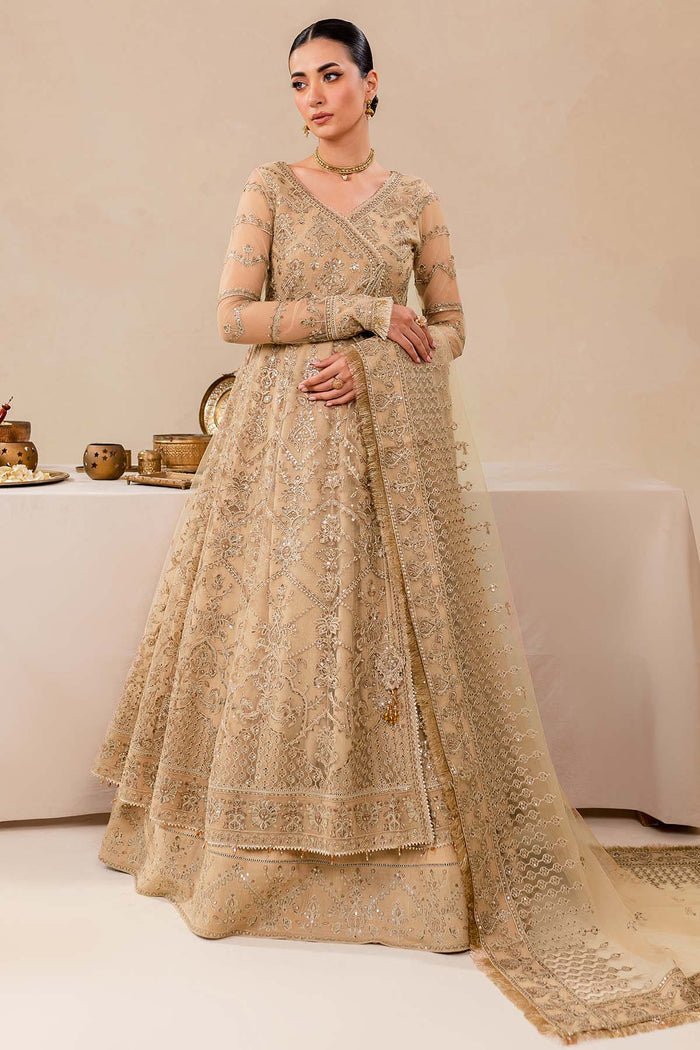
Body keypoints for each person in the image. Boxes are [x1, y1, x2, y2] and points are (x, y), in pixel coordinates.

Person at [91, 17, 700, 1043]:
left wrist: (378, 360)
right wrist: (365, 314)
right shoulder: (268, 187)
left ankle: (412, 863)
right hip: (283, 454)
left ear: (372, 84)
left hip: (387, 463)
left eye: (331, 75)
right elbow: (233, 318)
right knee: (282, 637)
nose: (313, 96)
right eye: (298, 81)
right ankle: (250, 857)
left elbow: (452, 330)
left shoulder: (416, 200)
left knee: (383, 645)